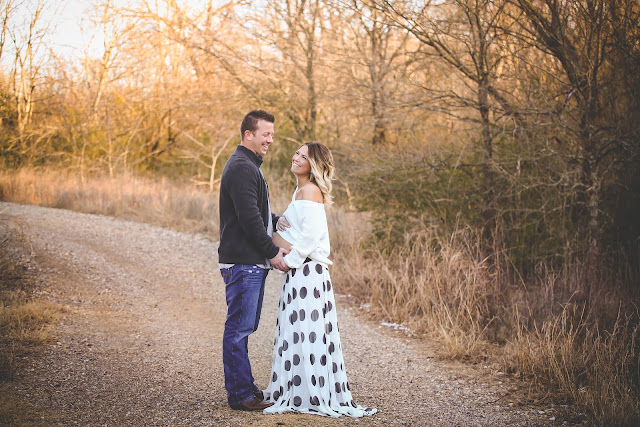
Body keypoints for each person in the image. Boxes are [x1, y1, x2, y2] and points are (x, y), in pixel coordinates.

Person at [262, 142, 377, 417]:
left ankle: (311, 394)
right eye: (297, 153)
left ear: (314, 165)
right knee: (298, 333)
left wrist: (288, 261)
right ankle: (300, 391)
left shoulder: (311, 191)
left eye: (304, 156)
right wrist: (279, 226)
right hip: (300, 274)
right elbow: (297, 230)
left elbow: (310, 238)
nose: (296, 158)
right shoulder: (300, 191)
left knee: (308, 333)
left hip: (307, 274)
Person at [218, 109, 290, 411]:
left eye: (272, 134)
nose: (270, 140)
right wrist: (272, 252)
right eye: (265, 134)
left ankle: (244, 387)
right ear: (249, 135)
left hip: (247, 263)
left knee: (243, 328)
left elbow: (252, 210)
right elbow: (248, 219)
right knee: (238, 330)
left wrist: (275, 220)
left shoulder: (247, 165)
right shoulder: (242, 167)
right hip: (243, 263)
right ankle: (240, 395)